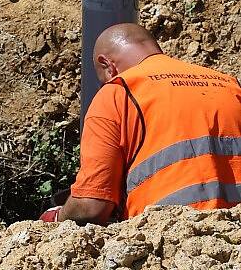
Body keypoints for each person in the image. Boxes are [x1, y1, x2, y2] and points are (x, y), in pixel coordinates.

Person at [40, 23, 241, 225]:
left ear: (107, 65)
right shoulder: (229, 85)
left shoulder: (119, 92)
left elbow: (91, 205)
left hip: (170, 241)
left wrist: (57, 218)